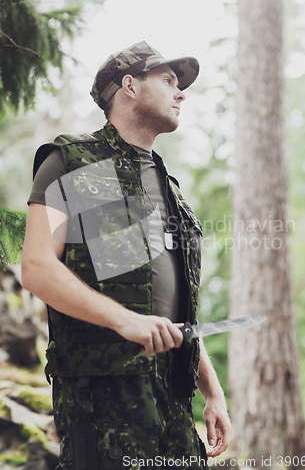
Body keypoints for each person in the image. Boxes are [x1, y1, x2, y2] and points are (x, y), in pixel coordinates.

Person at [22, 41, 232, 469]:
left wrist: (212, 391)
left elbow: (175, 305)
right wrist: (125, 321)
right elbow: (38, 267)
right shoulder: (72, 162)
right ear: (130, 86)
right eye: (169, 80)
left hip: (174, 404)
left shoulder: (171, 192)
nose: (181, 93)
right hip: (101, 401)